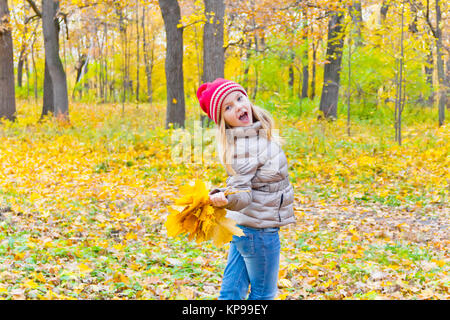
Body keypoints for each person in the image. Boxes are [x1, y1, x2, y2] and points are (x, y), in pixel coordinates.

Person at [196, 78, 296, 300]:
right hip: (260, 233)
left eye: (239, 98)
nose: (238, 106)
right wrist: (229, 199)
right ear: (224, 121)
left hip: (246, 229)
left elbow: (245, 183)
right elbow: (242, 194)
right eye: (228, 107)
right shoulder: (245, 145)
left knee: (231, 293)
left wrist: (224, 193)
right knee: (263, 296)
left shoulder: (253, 135)